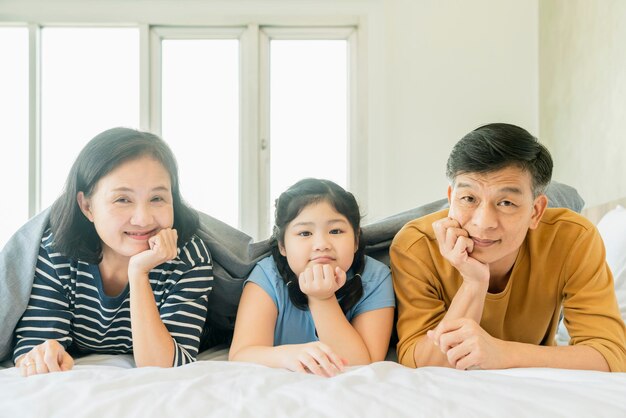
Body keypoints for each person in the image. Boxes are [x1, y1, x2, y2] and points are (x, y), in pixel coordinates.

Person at [391, 123, 626, 372]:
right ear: (451, 199)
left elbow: (611, 356)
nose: (483, 222)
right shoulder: (415, 246)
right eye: (469, 199)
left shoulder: (572, 239)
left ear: (536, 211)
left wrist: (502, 353)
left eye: (505, 202)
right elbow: (418, 363)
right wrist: (474, 284)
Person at [13, 127, 213, 376]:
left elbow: (165, 366)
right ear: (87, 206)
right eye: (123, 200)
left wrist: (139, 273)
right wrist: (45, 352)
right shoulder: (57, 252)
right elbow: (34, 347)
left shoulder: (188, 257)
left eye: (157, 199)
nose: (143, 219)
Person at [229, 178, 395, 376]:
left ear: (356, 240)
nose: (321, 244)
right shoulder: (267, 275)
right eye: (305, 233)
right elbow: (241, 354)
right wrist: (289, 355)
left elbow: (361, 363)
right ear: (282, 245)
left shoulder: (375, 277)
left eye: (335, 231)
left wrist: (322, 298)